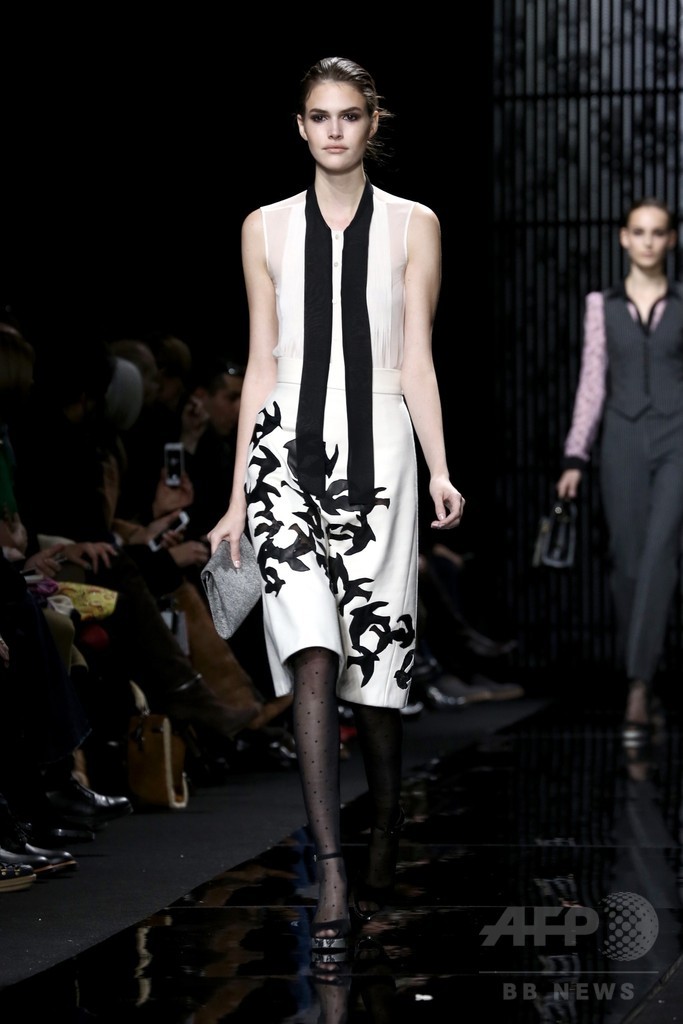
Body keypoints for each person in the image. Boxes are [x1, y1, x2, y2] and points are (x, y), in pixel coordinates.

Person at [208, 56, 464, 961]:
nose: (333, 131)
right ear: (300, 125)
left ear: (371, 121)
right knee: (312, 649)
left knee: (378, 672)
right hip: (285, 453)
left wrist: (439, 467)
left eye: (348, 115)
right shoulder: (265, 227)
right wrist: (236, 496)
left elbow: (418, 355)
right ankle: (332, 871)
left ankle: (385, 824)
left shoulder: (414, 225)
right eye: (318, 116)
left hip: (383, 454)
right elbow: (261, 363)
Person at [556, 197, 682, 747]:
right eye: (639, 231)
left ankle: (636, 685)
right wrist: (575, 456)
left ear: (670, 240)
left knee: (659, 556)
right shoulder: (600, 305)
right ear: (624, 238)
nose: (649, 241)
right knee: (628, 566)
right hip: (621, 439)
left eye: (658, 232)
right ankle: (647, 679)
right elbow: (592, 383)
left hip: (677, 439)